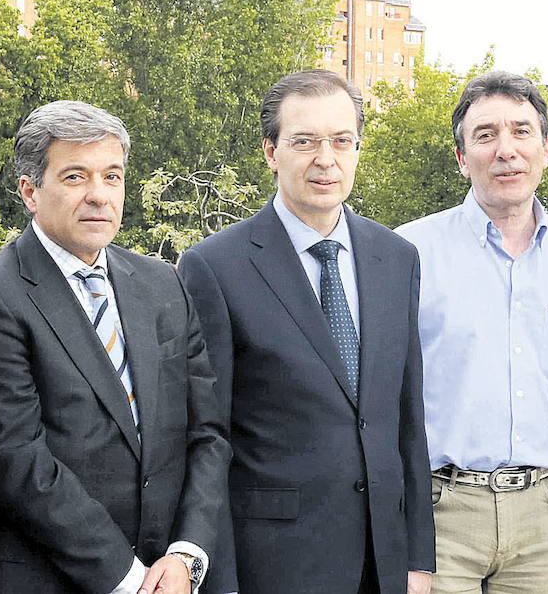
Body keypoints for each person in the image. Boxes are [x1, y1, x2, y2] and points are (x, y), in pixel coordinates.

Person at [0, 100, 230, 594]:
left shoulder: (164, 283)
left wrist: (186, 553)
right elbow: (14, 458)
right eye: (75, 177)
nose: (99, 196)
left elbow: (206, 433)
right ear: (29, 191)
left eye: (112, 177)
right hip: (43, 579)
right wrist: (128, 578)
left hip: (169, 574)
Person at [178, 69, 434, 594]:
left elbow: (407, 417)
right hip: (273, 562)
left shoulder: (397, 257)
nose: (326, 158)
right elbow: (207, 434)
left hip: (383, 561)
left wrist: (418, 558)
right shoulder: (214, 267)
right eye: (305, 142)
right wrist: (219, 578)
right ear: (271, 152)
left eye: (342, 141)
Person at [394, 70, 548, 593]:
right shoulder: (407, 252)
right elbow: (385, 390)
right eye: (486, 135)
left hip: (546, 510)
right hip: (439, 510)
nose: (506, 150)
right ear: (463, 158)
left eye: (521, 131)